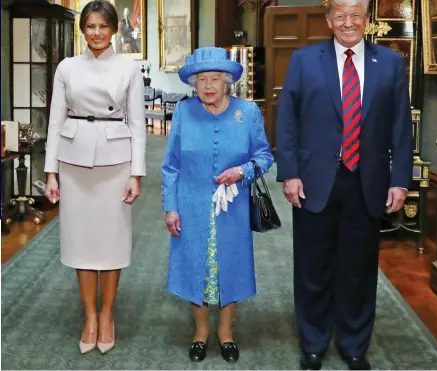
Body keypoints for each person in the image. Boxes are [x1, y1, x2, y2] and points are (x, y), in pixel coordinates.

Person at [276, 0, 413, 369]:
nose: (347, 22)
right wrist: (289, 172)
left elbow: (401, 126)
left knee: (359, 267)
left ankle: (354, 343)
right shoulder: (304, 60)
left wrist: (400, 180)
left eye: (355, 15)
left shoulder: (390, 64)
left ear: (366, 21)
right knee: (312, 266)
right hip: (314, 180)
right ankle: (313, 342)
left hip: (367, 182)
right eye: (340, 15)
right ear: (328, 19)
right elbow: (287, 119)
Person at [44, 0, 146, 355]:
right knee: (81, 243)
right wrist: (51, 172)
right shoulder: (67, 67)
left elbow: (137, 125)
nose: (97, 33)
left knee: (111, 243)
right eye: (91, 26)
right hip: (73, 163)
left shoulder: (127, 69)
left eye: (104, 26)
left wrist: (136, 173)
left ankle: (107, 313)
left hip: (116, 162)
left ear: (115, 29)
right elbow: (55, 122)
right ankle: (89, 315)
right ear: (82, 29)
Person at [162, 47, 274, 363]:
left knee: (231, 267)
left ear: (227, 82)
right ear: (193, 84)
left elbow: (265, 156)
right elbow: (171, 164)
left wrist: (243, 170)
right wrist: (171, 206)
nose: (208, 85)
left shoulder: (248, 112)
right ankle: (200, 332)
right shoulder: (184, 112)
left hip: (233, 207)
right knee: (194, 265)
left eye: (215, 79)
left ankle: (226, 333)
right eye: (202, 80)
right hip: (191, 204)